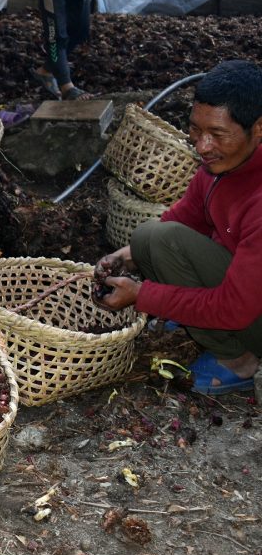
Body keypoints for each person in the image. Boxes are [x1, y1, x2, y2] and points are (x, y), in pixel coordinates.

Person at [95, 60, 262, 395]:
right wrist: (125, 256)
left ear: (258, 128)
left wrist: (144, 296)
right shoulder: (220, 168)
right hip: (244, 285)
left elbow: (234, 307)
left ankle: (239, 359)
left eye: (218, 134)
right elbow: (182, 220)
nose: (202, 146)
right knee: (147, 237)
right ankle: (195, 316)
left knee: (162, 241)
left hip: (248, 309)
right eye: (196, 130)